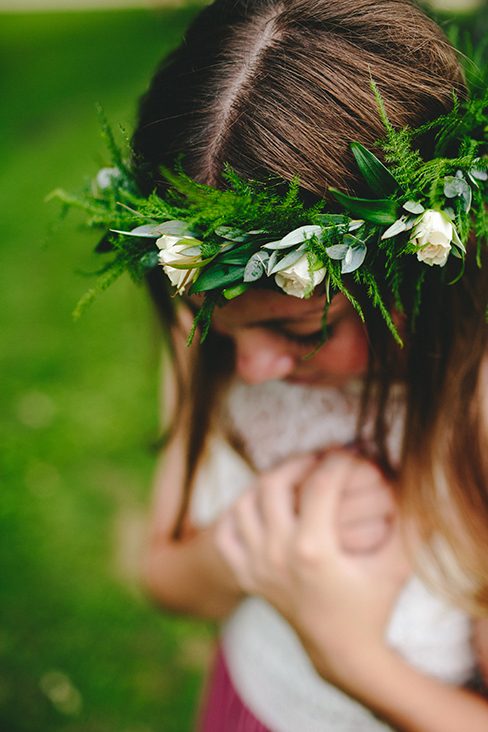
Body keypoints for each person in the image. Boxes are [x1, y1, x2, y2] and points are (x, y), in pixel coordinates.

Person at [63, 0, 488, 729]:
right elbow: (167, 578)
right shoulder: (206, 321)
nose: (252, 368)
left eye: (301, 328)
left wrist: (346, 653)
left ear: (418, 277)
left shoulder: (474, 405)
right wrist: (251, 548)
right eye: (216, 326)